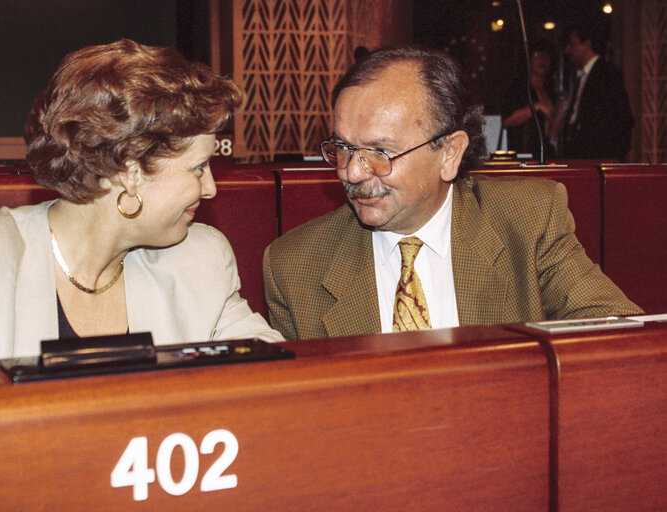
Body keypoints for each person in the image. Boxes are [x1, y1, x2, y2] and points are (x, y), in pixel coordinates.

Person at [0, 39, 283, 373]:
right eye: (198, 168)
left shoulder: (199, 258)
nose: (211, 188)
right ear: (130, 172)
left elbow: (278, 380)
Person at [263, 45, 641, 341]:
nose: (352, 172)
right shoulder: (294, 266)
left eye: (379, 152)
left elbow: (617, 337)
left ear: (449, 154)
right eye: (343, 148)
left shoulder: (528, 221)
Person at [563, 23, 633, 161]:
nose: (567, 50)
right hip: (583, 155)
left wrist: (613, 156)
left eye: (572, 44)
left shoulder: (606, 73)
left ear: (586, 44)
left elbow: (622, 118)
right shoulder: (584, 74)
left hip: (599, 156)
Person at [501, 41, 559, 158]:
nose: (543, 60)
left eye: (546, 57)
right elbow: (507, 121)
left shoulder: (551, 89)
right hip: (523, 153)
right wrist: (536, 107)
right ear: (528, 60)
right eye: (537, 56)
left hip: (548, 153)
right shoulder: (518, 88)